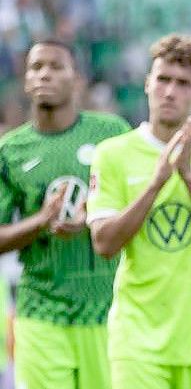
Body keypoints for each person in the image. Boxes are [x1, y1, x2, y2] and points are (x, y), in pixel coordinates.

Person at [86, 34, 191, 389]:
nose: (170, 91)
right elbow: (103, 243)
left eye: (183, 83)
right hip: (136, 337)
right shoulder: (113, 154)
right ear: (148, 83)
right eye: (163, 79)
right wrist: (156, 183)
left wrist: (188, 176)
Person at [0, 39, 130, 388]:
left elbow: (140, 208)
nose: (45, 74)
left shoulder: (112, 134)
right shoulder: (10, 151)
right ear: (25, 80)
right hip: (39, 310)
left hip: (104, 311)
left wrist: (95, 215)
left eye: (56, 66)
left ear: (77, 79)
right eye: (36, 67)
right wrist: (40, 222)